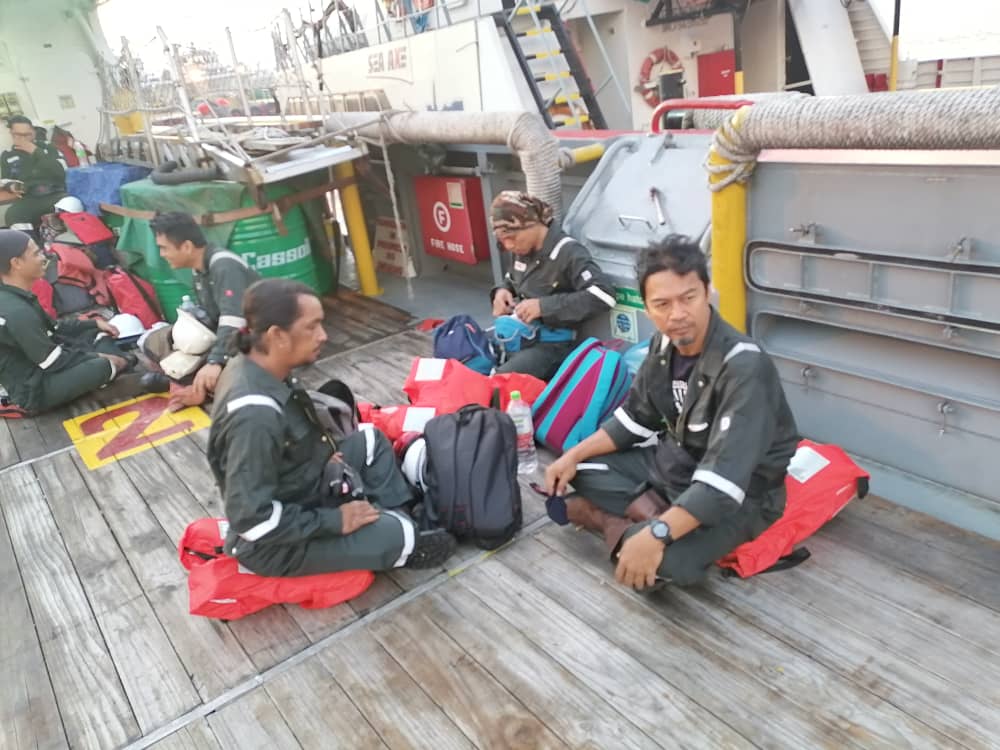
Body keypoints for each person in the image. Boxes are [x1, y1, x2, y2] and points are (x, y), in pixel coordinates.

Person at [544, 235, 799, 589]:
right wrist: (571, 455)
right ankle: (641, 525)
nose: (677, 314)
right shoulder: (662, 345)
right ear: (647, 308)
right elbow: (634, 419)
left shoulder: (744, 366)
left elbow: (724, 482)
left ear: (707, 292)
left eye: (688, 298)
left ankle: (608, 520)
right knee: (581, 469)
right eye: (662, 304)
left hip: (741, 493)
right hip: (677, 465)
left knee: (661, 567)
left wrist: (657, 535)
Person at [208, 277, 457, 576]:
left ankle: (398, 518)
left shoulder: (261, 365)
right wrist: (336, 521)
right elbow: (252, 521)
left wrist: (320, 454)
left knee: (369, 439)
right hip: (276, 543)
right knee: (398, 536)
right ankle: (400, 534)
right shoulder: (253, 416)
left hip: (301, 486)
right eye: (312, 327)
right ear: (277, 335)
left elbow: (291, 439)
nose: (323, 335)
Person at [489, 191, 616, 380]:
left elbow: (603, 295)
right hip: (520, 335)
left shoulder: (568, 252)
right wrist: (502, 291)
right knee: (471, 359)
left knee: (501, 381)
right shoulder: (522, 250)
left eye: (512, 237)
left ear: (532, 224)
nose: (508, 246)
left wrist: (543, 307)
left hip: (554, 345)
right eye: (502, 241)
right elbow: (512, 278)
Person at [0, 229, 130, 414]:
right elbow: (52, 361)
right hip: (34, 390)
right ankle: (114, 368)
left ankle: (111, 367)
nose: (43, 258)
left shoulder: (12, 295)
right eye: (36, 254)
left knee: (95, 333)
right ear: (16, 263)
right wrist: (99, 357)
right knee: (106, 365)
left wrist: (93, 324)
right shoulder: (16, 311)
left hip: (42, 368)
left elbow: (54, 328)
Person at [141, 211, 260, 407]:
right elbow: (213, 318)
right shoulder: (199, 269)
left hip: (256, 339)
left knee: (231, 375)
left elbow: (234, 321)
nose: (162, 255)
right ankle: (192, 382)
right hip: (231, 338)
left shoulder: (224, 266)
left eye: (164, 248)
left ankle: (198, 385)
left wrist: (215, 361)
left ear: (187, 247)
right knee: (155, 341)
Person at [1, 116, 68, 228]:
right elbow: (5, 180)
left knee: (72, 205)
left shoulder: (48, 147)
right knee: (13, 215)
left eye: (27, 134)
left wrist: (36, 151)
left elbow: (62, 171)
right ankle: (30, 239)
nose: (23, 139)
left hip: (56, 194)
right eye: (18, 135)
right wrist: (11, 185)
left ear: (33, 132)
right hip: (29, 198)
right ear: (11, 134)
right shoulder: (7, 155)